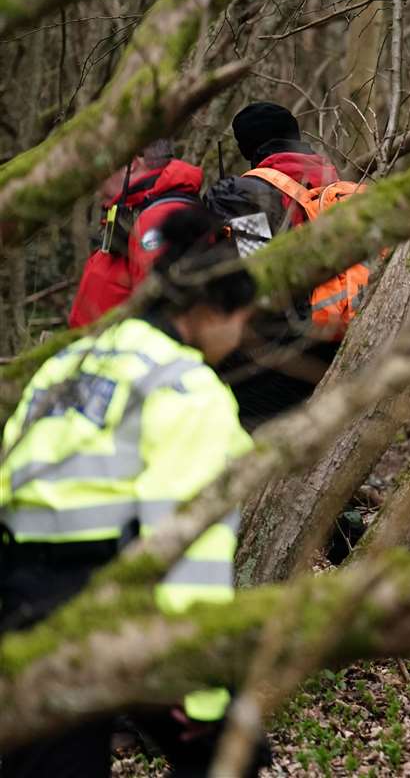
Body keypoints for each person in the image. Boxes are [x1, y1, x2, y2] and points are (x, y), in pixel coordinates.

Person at [0, 207, 270, 776]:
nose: (240, 337)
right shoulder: (189, 388)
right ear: (208, 313)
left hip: (21, 594)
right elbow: (186, 545)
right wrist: (198, 692)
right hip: (112, 594)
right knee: (228, 756)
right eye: (241, 320)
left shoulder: (74, 357)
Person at [203, 102, 342, 430]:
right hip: (337, 338)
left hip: (275, 353)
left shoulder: (246, 194)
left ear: (248, 146)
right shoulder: (335, 185)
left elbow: (256, 277)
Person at [68, 140, 204, 328]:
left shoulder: (160, 218)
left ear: (131, 164)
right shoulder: (139, 212)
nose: (96, 184)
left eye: (100, 169)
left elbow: (161, 313)